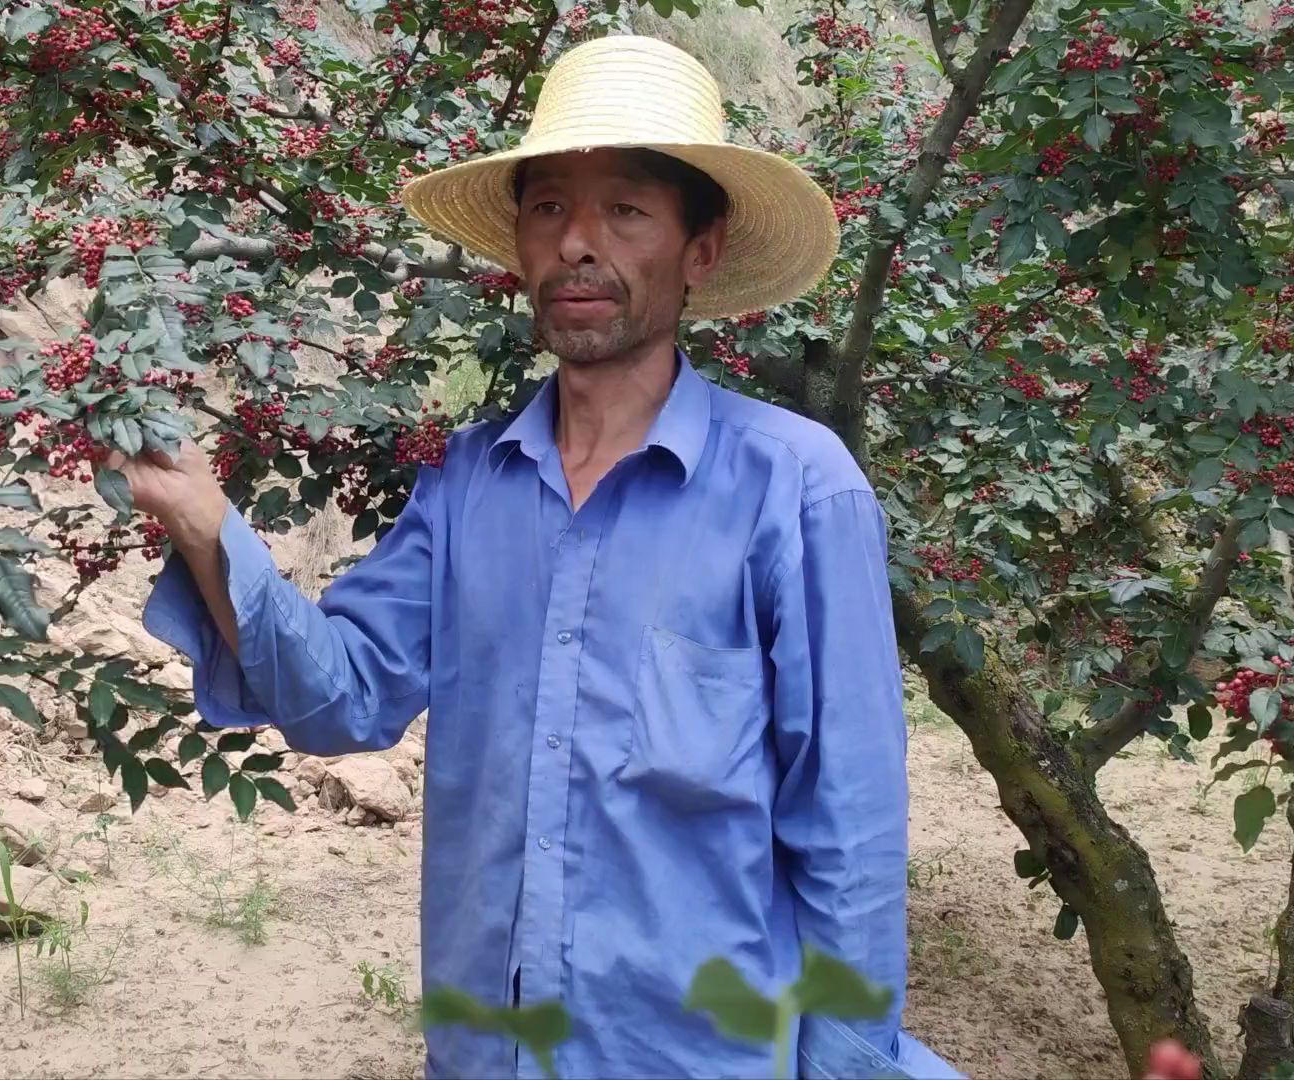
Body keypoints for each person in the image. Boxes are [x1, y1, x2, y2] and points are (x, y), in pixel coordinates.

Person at [118, 33, 955, 1080]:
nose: (577, 244)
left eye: (628, 210)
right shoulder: (468, 484)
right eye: (550, 207)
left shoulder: (794, 488)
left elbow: (851, 833)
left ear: (701, 250)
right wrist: (204, 523)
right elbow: (342, 698)